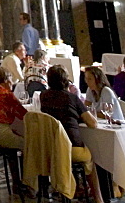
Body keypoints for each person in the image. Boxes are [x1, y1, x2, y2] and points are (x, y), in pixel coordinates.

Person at [40, 64, 105, 203]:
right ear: (65, 81)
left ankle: (76, 188)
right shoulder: (71, 98)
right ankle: (98, 198)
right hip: (71, 147)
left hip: (50, 148)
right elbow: (92, 123)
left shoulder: (43, 96)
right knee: (92, 158)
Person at [0, 66, 26, 188]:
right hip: (2, 132)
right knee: (28, 144)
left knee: (12, 149)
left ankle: (17, 183)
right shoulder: (7, 94)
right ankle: (27, 181)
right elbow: (23, 113)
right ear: (7, 80)